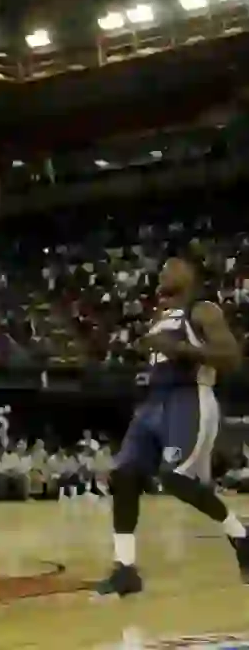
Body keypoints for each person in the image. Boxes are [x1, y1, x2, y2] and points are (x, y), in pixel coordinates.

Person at [95, 255, 249, 596]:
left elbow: (231, 357)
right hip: (153, 401)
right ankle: (125, 569)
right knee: (124, 476)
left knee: (175, 478)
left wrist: (178, 349)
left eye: (172, 266)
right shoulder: (159, 316)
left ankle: (242, 537)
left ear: (190, 275)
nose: (163, 270)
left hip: (189, 397)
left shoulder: (203, 310)